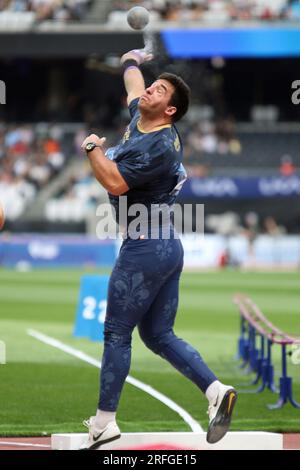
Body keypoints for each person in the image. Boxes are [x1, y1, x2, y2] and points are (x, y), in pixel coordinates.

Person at [80, 49, 237, 450]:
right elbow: (134, 85)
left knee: (116, 333)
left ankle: (105, 423)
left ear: (169, 111)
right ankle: (215, 390)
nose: (149, 90)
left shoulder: (160, 147)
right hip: (165, 245)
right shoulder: (143, 117)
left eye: (159, 90)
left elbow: (114, 183)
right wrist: (131, 60)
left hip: (145, 247)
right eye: (154, 84)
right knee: (159, 334)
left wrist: (93, 148)